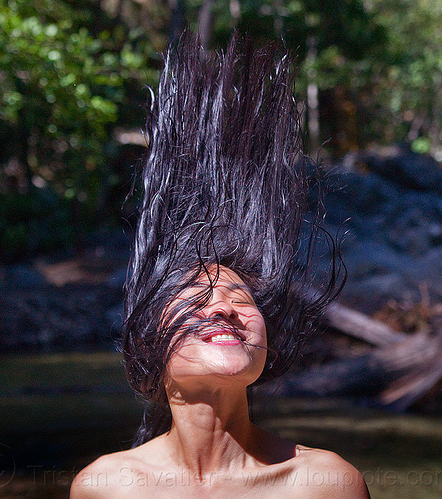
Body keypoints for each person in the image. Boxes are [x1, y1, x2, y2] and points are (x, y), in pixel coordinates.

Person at [70, 33, 370, 498]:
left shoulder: (324, 483)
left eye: (240, 299)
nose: (224, 309)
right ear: (150, 341)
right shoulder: (106, 487)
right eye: (195, 299)